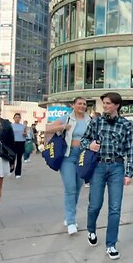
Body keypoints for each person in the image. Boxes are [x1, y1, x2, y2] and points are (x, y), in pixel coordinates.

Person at [80, 92, 133, 260]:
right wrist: (90, 145)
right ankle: (91, 229)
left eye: (108, 103)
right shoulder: (96, 122)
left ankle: (111, 244)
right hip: (98, 166)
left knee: (115, 208)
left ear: (117, 105)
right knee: (95, 205)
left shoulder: (126, 125)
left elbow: (131, 149)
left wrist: (129, 172)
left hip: (117, 167)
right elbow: (83, 140)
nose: (105, 106)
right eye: (104, 103)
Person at [45, 97, 91, 235]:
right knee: (70, 187)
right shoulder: (67, 118)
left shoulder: (91, 120)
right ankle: (71, 221)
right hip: (68, 157)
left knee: (77, 187)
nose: (82, 106)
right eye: (79, 104)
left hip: (84, 157)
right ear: (73, 105)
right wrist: (63, 127)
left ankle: (69, 215)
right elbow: (48, 128)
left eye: (84, 104)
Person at [11, 113, 27, 178]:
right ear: (14, 118)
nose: (17, 118)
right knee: (12, 157)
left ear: (20, 118)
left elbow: (26, 134)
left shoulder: (23, 126)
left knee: (19, 158)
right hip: (13, 142)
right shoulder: (11, 126)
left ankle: (18, 173)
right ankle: (11, 167)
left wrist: (25, 134)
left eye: (18, 117)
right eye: (16, 117)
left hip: (21, 142)